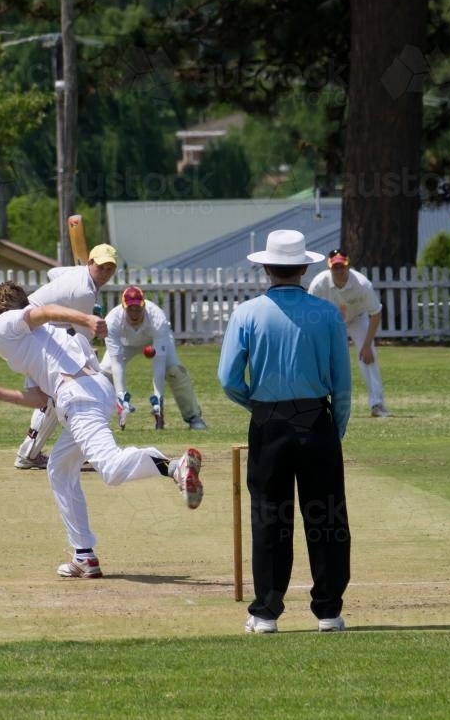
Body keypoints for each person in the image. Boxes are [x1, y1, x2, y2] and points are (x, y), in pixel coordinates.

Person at [0, 281, 203, 579]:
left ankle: (173, 466)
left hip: (78, 398)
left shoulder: (6, 324)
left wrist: (85, 319)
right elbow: (41, 399)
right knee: (59, 469)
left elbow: (41, 311)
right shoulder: (45, 340)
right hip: (89, 392)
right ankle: (83, 555)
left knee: (111, 469)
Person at [218, 229, 352, 634]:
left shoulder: (247, 313)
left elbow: (228, 379)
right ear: (305, 267)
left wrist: (257, 406)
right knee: (327, 515)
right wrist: (334, 428)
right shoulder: (326, 313)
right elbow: (342, 383)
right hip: (316, 418)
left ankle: (266, 612)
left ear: (266, 268)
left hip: (268, 420)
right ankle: (328, 610)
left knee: (269, 517)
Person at [14, 243, 119, 470]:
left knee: (53, 394)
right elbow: (81, 338)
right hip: (34, 333)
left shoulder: (77, 275)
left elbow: (54, 274)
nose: (105, 273)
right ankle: (31, 454)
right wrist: (92, 342)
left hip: (33, 329)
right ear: (90, 263)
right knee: (60, 392)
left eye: (110, 269)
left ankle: (29, 452)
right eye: (101, 267)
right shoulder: (84, 292)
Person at [100, 285, 207, 431]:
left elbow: (159, 364)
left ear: (144, 305)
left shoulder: (157, 318)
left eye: (138, 308)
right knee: (104, 374)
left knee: (175, 371)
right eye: (130, 309)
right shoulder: (112, 321)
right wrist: (121, 396)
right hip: (125, 344)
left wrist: (158, 398)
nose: (134, 313)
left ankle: (194, 418)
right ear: (123, 307)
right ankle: (97, 420)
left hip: (153, 341)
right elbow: (117, 363)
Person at [308, 248, 390, 417]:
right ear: (329, 267)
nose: (339, 271)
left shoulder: (362, 284)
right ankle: (317, 402)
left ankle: (377, 404)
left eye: (341, 267)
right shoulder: (319, 283)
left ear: (348, 266)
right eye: (335, 267)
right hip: (330, 320)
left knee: (369, 357)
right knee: (321, 358)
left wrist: (366, 346)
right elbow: (309, 310)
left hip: (357, 318)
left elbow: (375, 313)